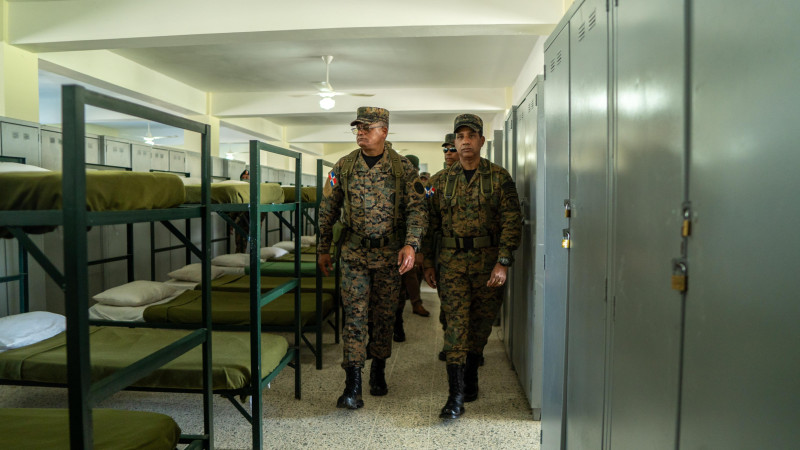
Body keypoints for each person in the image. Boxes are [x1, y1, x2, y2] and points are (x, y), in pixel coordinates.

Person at [317, 106, 427, 409]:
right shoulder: (344, 166)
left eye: (368, 126)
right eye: (358, 127)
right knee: (354, 318)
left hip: (389, 256)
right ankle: (352, 384)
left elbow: (417, 210)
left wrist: (411, 245)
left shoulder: (402, 168)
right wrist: (323, 248)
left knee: (384, 316)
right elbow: (327, 211)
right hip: (353, 254)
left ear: (384, 132)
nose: (361, 131)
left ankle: (378, 369)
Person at [423, 114, 522, 420]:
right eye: (460, 136)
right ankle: (454, 397)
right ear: (454, 142)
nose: (465, 141)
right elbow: (429, 222)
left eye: (471, 135)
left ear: (481, 140)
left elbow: (511, 220)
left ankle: (472, 376)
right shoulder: (438, 182)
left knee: (479, 327)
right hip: (452, 264)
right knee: (455, 325)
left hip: (488, 265)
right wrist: (428, 261)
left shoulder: (499, 177)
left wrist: (503, 262)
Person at [393, 155, 430, 342]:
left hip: (412, 241)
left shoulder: (418, 188)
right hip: (394, 243)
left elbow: (421, 217)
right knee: (397, 286)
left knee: (411, 275)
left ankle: (416, 304)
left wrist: (419, 249)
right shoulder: (394, 184)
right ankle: (397, 319)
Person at [232, 169, 251, 253]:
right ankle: (239, 259)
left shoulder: (254, 189)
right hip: (241, 221)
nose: (245, 179)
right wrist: (232, 223)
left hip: (252, 219)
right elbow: (234, 208)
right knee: (240, 244)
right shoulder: (238, 189)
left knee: (255, 243)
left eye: (247, 177)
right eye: (244, 177)